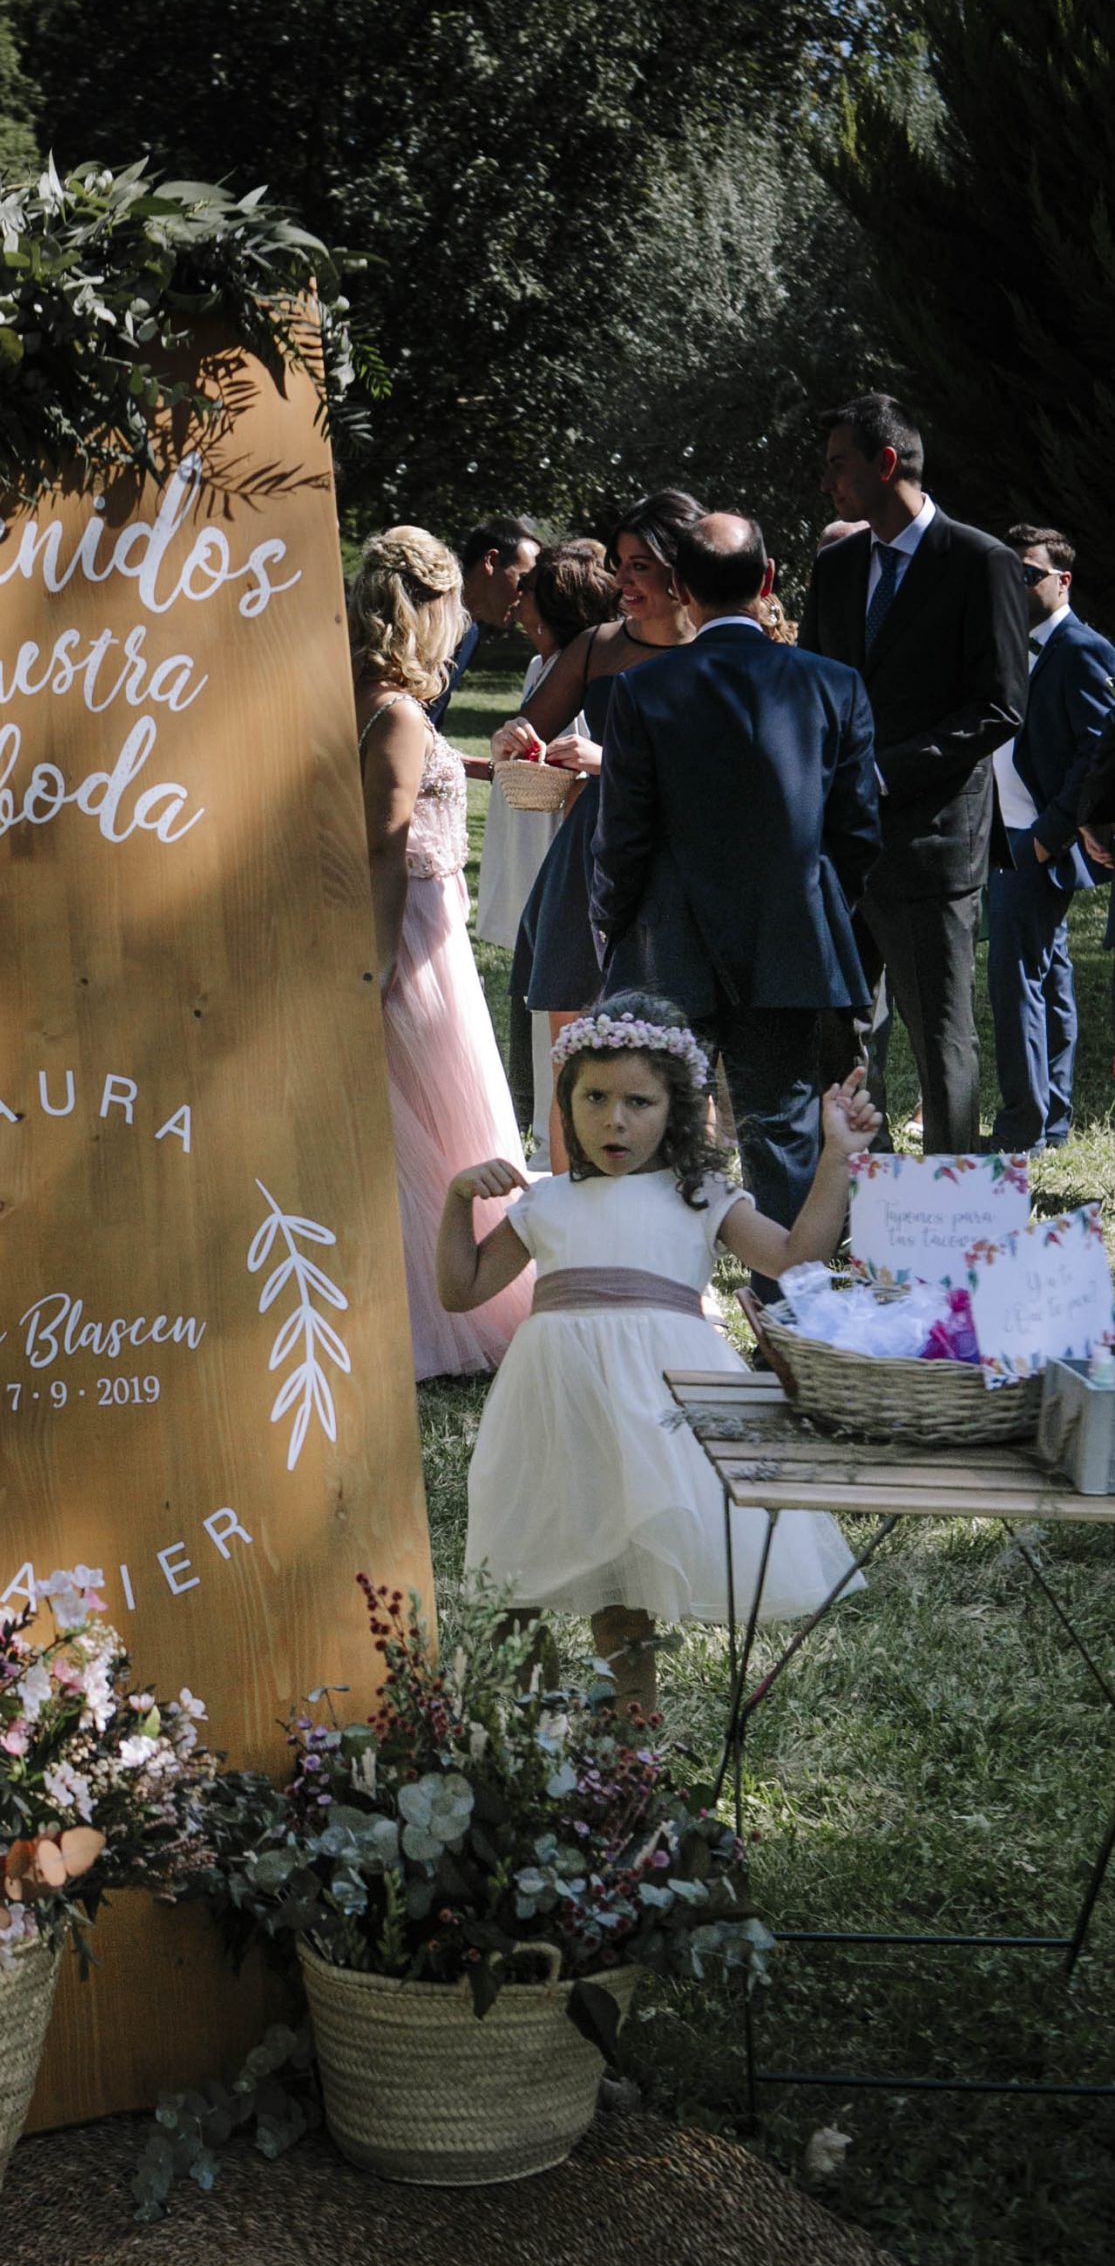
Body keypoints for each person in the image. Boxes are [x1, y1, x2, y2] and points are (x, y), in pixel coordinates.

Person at [440, 996, 876, 1710]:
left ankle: (627, 1749)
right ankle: (520, 1746)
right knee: (518, 1577)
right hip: (554, 1411)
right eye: (594, 1097)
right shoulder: (546, 1203)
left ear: (676, 1109)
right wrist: (459, 1201)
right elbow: (460, 1291)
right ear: (566, 1103)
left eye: (639, 1101)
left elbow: (796, 1257)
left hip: (652, 1412)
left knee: (627, 1588)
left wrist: (835, 1158)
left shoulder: (699, 1196)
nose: (614, 1119)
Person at [590, 512, 881, 1289]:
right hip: (785, 939)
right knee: (780, 1128)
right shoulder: (833, 685)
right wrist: (807, 908)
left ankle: (639, 1293)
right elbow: (857, 833)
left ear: (679, 588)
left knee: (647, 1125)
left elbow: (622, 834)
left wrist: (612, 923)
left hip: (667, 941)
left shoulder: (641, 689)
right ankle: (788, 1316)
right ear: (768, 579)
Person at [800, 394, 1028, 1153]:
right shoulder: (834, 567)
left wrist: (880, 773)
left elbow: (997, 708)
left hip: (931, 845)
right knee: (836, 1030)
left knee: (940, 1038)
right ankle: (858, 1191)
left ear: (885, 463)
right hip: (837, 847)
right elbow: (811, 687)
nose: (827, 481)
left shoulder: (979, 562)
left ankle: (946, 1216)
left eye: (839, 465)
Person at [353, 527, 533, 1378]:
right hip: (411, 928)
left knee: (426, 1110)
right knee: (434, 1112)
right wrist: (381, 964)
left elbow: (410, 766)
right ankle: (439, 1308)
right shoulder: (391, 709)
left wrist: (475, 764)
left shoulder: (380, 702)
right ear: (425, 610)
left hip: (430, 916)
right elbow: (383, 842)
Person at [496, 491, 702, 1162]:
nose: (623, 581)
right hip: (592, 849)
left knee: (676, 1028)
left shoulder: (714, 650)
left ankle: (683, 1189)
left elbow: (724, 770)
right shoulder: (594, 646)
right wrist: (517, 734)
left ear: (680, 569)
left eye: (639, 565)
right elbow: (535, 725)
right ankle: (567, 1187)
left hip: (680, 853)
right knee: (570, 1020)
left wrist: (609, 761)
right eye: (620, 564)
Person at [475, 542, 621, 1138]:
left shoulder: (588, 671)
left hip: (565, 846)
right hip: (530, 834)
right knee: (532, 988)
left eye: (529, 597)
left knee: (563, 997)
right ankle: (538, 1120)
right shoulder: (543, 670)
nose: (518, 606)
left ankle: (558, 1131)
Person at [985, 524, 1115, 1149]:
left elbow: (1098, 755)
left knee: (1014, 983)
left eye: (1029, 572)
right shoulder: (1009, 642)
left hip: (1034, 840)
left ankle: (1021, 1132)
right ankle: (1052, 1120)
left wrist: (1048, 835)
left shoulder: (1083, 649)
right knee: (1048, 977)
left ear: (1062, 581)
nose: (1018, 583)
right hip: (1000, 829)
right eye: (1010, 573)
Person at [423, 515, 540, 730]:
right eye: (523, 581)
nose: (526, 597)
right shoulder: (421, 623)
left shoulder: (470, 635)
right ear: (491, 561)